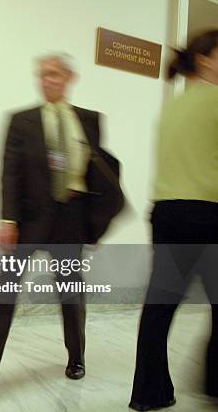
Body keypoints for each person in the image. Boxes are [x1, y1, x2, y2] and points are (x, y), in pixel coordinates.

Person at [0, 53, 113, 404]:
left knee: (71, 293)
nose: (47, 80)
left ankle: (76, 356)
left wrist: (95, 228)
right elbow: (9, 172)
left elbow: (99, 177)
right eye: (42, 74)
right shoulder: (22, 121)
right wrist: (8, 219)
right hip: (29, 221)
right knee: (1, 295)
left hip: (71, 219)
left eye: (54, 74)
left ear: (68, 78)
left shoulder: (89, 121)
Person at [129, 29, 218, 411]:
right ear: (205, 59)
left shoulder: (173, 107)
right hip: (209, 212)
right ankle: (215, 382)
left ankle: (150, 393)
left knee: (159, 307)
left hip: (166, 212)